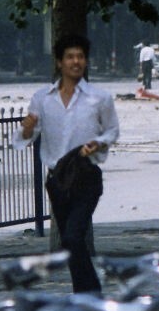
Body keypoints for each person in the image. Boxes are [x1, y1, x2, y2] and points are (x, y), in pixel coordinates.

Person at [14, 34, 119, 294]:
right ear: (59, 62)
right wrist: (26, 130)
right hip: (57, 180)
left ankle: (91, 293)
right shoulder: (42, 98)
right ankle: (83, 295)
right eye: (70, 57)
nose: (76, 62)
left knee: (73, 236)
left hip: (86, 177)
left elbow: (112, 131)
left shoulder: (99, 98)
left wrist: (98, 143)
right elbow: (26, 137)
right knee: (70, 243)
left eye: (80, 57)